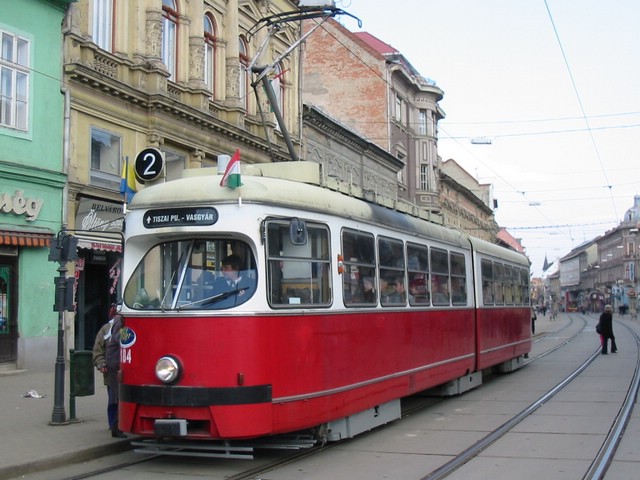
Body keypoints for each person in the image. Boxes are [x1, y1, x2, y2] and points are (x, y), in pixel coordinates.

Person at [93, 306, 126, 437]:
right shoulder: (106, 329)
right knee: (113, 399)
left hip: (122, 370)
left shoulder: (125, 328)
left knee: (119, 398)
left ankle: (120, 424)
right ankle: (113, 424)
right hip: (111, 371)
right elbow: (98, 349)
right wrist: (101, 364)